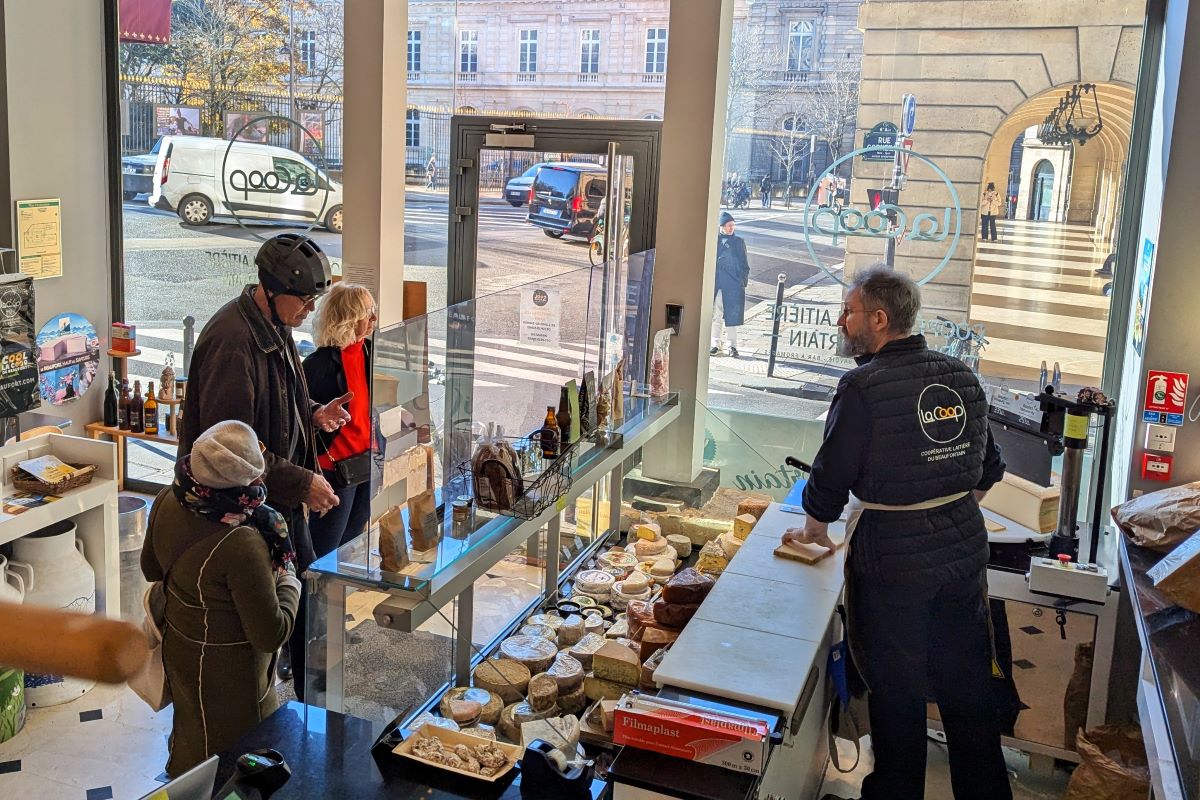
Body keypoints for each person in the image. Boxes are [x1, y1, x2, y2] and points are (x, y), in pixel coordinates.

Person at [787, 267, 1011, 800]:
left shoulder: (862, 386)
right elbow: (989, 468)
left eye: (849, 311)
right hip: (963, 560)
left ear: (880, 319)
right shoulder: (961, 376)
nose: (842, 321)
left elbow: (831, 472)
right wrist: (944, 507)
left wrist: (815, 527)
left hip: (892, 566)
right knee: (968, 692)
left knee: (896, 692)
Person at [178, 232, 351, 694]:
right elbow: (227, 454)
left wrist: (312, 413)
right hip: (243, 514)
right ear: (271, 290)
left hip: (273, 504)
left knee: (313, 601)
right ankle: (302, 709)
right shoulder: (233, 344)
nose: (311, 310)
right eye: (305, 300)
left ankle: (312, 705)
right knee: (286, 615)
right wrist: (302, 481)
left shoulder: (274, 326)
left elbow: (273, 405)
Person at [142, 420, 301, 777]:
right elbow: (270, 633)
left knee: (190, 743)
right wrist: (290, 581)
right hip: (233, 675)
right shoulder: (242, 542)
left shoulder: (170, 497)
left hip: (181, 648)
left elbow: (151, 568)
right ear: (250, 479)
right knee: (240, 769)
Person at [303, 283, 377, 557]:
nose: (373, 320)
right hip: (334, 469)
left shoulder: (370, 352)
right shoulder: (318, 364)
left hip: (366, 462)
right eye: (368, 313)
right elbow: (301, 416)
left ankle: (336, 598)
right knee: (325, 549)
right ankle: (313, 600)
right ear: (348, 316)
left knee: (351, 542)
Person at [711, 211, 750, 358]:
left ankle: (732, 346)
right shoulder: (714, 240)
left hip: (733, 285)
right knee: (717, 314)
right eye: (728, 225)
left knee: (731, 316)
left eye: (733, 225)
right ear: (721, 226)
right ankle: (715, 344)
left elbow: (745, 265)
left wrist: (742, 282)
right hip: (717, 284)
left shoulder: (739, 242)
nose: (731, 228)